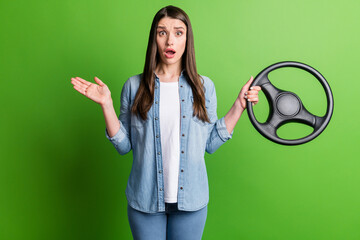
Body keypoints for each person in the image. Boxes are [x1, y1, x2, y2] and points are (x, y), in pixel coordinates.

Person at [70, 5, 261, 240]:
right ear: (154, 39)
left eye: (178, 33)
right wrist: (106, 105)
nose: (170, 40)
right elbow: (123, 146)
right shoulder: (133, 86)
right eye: (162, 32)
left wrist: (239, 106)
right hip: (145, 200)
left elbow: (210, 143)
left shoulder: (204, 87)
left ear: (187, 40)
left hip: (192, 200)